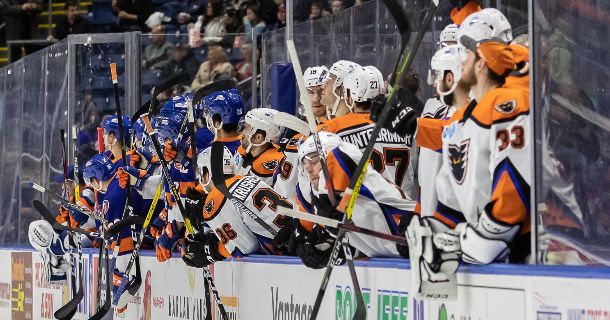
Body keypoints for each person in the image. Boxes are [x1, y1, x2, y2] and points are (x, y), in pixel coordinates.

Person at [289, 132, 415, 267]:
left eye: (314, 161)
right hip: (397, 259)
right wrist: (325, 253)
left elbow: (341, 153)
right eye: (305, 164)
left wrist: (326, 200)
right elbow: (354, 247)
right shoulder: (321, 201)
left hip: (424, 232)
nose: (309, 169)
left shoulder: (347, 157)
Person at [180, 145, 294, 268]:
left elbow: (246, 247)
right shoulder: (248, 179)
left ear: (206, 173)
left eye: (201, 173)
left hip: (291, 255)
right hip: (300, 238)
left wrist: (209, 252)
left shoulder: (216, 199)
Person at [323, 65, 417, 199]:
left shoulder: (336, 128)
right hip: (406, 210)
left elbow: (327, 179)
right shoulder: (402, 123)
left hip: (368, 211)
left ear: (351, 96)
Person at [234, 108, 286, 187]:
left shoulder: (268, 164)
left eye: (246, 128)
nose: (242, 133)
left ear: (258, 137)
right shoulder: (245, 151)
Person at [200, 88, 246, 154]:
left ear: (217, 124)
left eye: (209, 114)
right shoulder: (250, 147)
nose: (207, 117)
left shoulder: (209, 153)